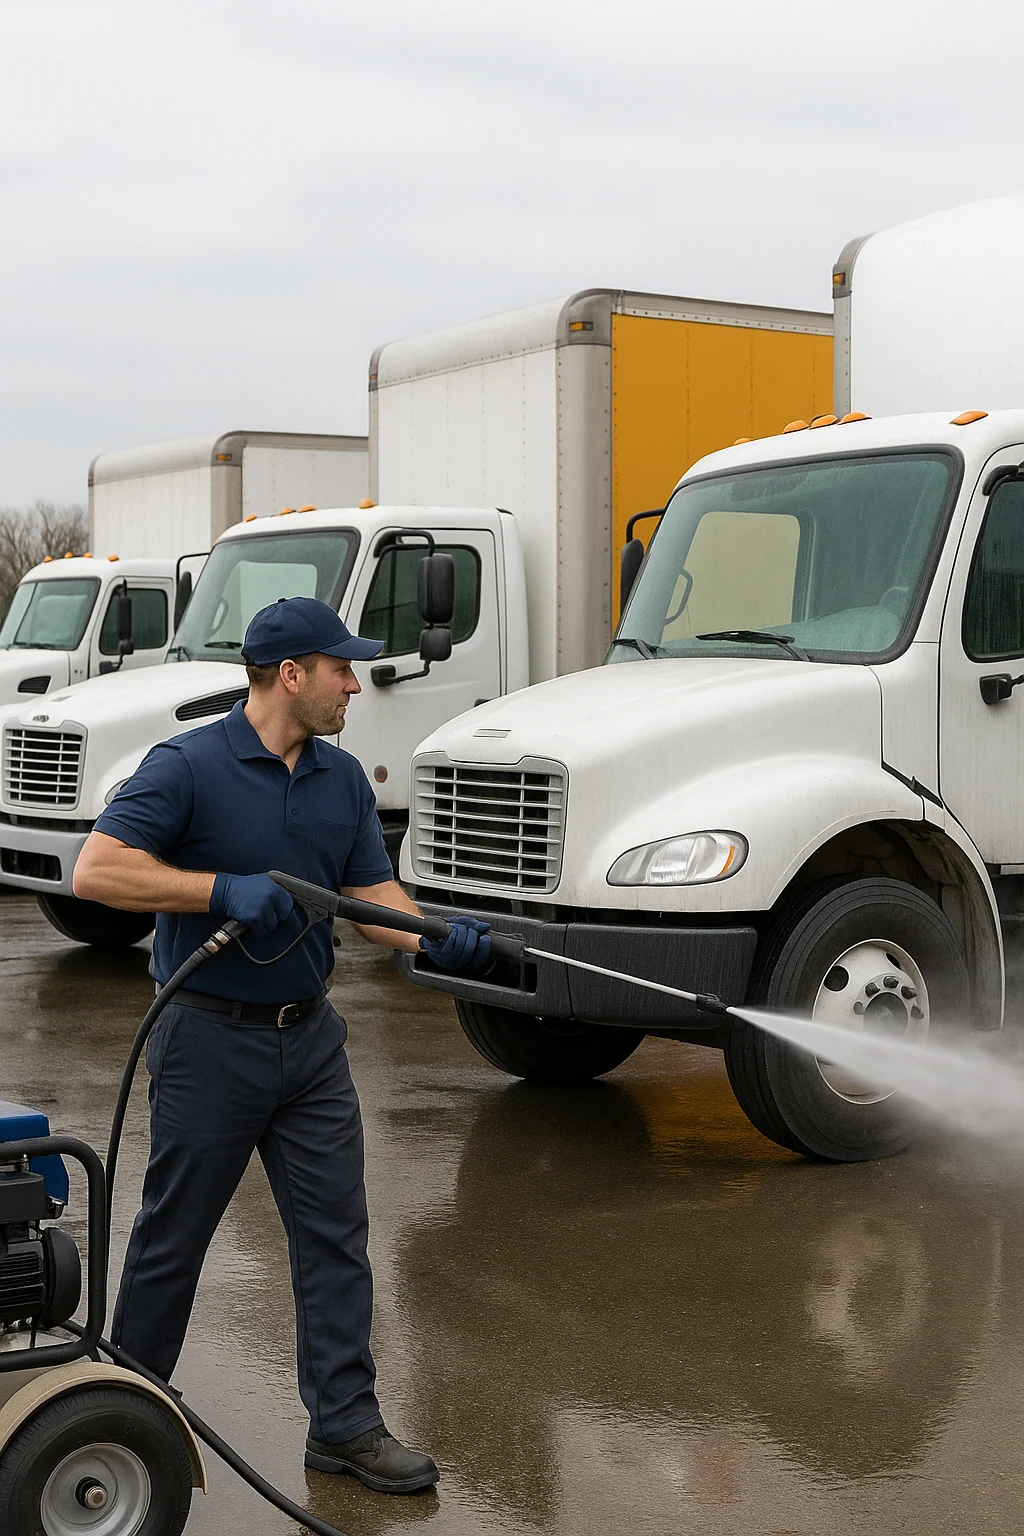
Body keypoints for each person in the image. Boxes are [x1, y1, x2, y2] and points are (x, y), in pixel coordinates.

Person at [73, 595, 491, 1495]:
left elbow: (373, 899)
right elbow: (96, 869)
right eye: (341, 667)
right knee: (171, 1241)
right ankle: (123, 1416)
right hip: (207, 1044)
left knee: (337, 1238)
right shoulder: (187, 766)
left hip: (309, 1046)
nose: (355, 681)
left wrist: (436, 935)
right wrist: (219, 889)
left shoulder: (341, 779)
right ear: (290, 675)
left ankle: (343, 1425)